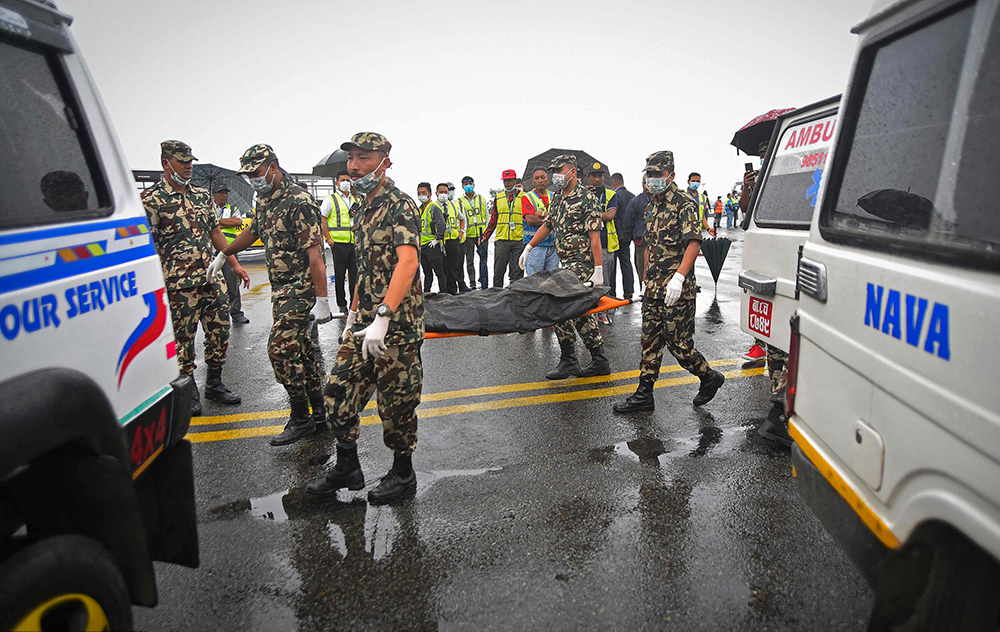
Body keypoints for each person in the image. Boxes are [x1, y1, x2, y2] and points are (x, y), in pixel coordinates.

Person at [306, 132, 424, 505]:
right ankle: (348, 468)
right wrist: (354, 315)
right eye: (351, 159)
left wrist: (384, 316)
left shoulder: (400, 204)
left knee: (396, 407)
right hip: (364, 325)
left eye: (364, 159)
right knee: (336, 394)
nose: (354, 167)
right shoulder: (360, 208)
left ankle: (403, 475)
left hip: (398, 325)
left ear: (385, 161)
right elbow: (363, 269)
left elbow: (408, 262)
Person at [215, 144, 332, 445]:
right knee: (305, 352)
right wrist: (224, 254)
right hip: (281, 290)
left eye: (256, 173)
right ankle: (320, 416)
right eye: (249, 175)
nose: (253, 179)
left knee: (279, 349)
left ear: (273, 167)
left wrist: (322, 299)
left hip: (301, 289)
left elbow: (315, 255)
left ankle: (301, 417)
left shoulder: (299, 201)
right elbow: (253, 230)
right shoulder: (266, 199)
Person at [613, 151, 725, 414]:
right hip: (653, 287)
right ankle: (644, 394)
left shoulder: (684, 204)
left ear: (671, 176)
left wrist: (678, 277)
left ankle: (710, 377)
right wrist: (645, 278)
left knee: (680, 348)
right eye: (649, 174)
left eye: (658, 174)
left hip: (677, 290)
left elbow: (694, 242)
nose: (652, 179)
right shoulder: (651, 206)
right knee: (649, 340)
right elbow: (650, 246)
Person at [142, 140, 245, 416]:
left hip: (211, 278)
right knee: (182, 339)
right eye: (182, 161)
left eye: (190, 161)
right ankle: (188, 389)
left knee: (220, 330)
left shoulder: (201, 196)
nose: (189, 166)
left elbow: (215, 233)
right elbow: (147, 246)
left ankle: (214, 383)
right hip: (178, 284)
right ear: (166, 163)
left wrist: (233, 264)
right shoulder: (151, 201)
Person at [519, 154, 609, 378]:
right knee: (578, 312)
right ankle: (597, 360)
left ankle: (571, 359)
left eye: (560, 170)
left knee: (554, 297)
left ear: (573, 172)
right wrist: (529, 247)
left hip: (583, 263)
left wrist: (598, 270)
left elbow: (595, 238)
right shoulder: (558, 197)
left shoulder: (587, 198)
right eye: (554, 171)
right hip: (566, 262)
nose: (555, 175)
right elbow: (547, 225)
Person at [320, 170, 359, 314]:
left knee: (354, 276)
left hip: (354, 244)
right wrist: (328, 239)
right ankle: (342, 305)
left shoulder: (357, 200)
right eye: (343, 180)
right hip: (338, 244)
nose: (346, 183)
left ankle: (353, 306)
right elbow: (322, 219)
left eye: (348, 180)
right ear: (337, 184)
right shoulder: (331, 199)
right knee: (340, 276)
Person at [480, 169, 525, 288]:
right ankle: (496, 296)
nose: (507, 183)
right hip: (502, 240)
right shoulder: (498, 197)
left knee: (517, 272)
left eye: (510, 180)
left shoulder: (524, 197)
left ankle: (515, 295)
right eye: (505, 181)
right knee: (498, 271)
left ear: (515, 181)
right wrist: (486, 236)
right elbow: (493, 219)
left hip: (518, 240)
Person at [586, 163, 619, 324]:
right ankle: (590, 313)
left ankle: (604, 313)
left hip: (605, 244)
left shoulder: (611, 194)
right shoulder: (583, 193)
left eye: (600, 176)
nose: (597, 179)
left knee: (604, 281)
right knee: (588, 283)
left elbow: (610, 215)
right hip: (586, 246)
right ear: (589, 178)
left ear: (604, 177)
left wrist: (591, 214)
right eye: (594, 176)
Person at [213, 182, 250, 325]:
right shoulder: (208, 208)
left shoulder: (232, 208)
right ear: (214, 194)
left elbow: (236, 221)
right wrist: (222, 223)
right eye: (221, 193)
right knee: (213, 283)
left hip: (230, 250)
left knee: (232, 281)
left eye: (226, 192)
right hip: (212, 250)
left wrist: (218, 222)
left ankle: (236, 312)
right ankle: (218, 315)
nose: (224, 195)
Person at [521, 167, 558, 275]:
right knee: (534, 282)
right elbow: (530, 219)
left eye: (543, 177)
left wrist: (542, 214)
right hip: (535, 246)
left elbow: (560, 216)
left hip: (553, 247)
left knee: (552, 282)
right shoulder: (527, 197)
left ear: (548, 179)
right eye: (537, 178)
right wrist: (552, 218)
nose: (540, 180)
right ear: (533, 181)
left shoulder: (555, 196)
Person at [458, 176, 489, 290]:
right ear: (462, 186)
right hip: (469, 235)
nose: (468, 185)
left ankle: (483, 279)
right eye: (465, 184)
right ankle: (472, 282)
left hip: (482, 234)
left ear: (474, 184)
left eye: (470, 183)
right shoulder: (459, 201)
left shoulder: (481, 198)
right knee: (469, 260)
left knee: (484, 258)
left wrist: (486, 233)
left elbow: (486, 216)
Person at [438, 182, 469, 294]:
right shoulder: (434, 206)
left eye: (446, 192)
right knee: (444, 266)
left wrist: (461, 232)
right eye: (441, 192)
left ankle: (454, 290)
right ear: (436, 194)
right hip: (442, 241)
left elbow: (462, 218)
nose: (444, 194)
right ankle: (445, 290)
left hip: (454, 240)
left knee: (455, 266)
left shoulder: (453, 205)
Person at [416, 182, 446, 293]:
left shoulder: (433, 208)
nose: (421, 195)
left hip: (432, 245)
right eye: (419, 193)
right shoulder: (419, 209)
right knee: (427, 273)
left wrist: (437, 239)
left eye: (424, 193)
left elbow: (441, 224)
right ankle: (426, 293)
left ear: (430, 194)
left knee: (439, 271)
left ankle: (443, 293)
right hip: (422, 246)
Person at [611, 172, 636, 299]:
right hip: (628, 235)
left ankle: (612, 292)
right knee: (626, 262)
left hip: (616, 235)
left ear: (614, 182)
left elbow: (613, 216)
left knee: (613, 265)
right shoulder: (632, 196)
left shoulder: (615, 196)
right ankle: (629, 291)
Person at [626, 176, 650, 286]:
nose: (647, 185)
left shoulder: (663, 201)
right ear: (642, 184)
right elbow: (628, 223)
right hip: (641, 245)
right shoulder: (635, 202)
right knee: (643, 275)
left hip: (660, 246)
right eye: (645, 183)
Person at [686, 173, 715, 237]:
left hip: (697, 231)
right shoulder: (681, 194)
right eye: (693, 181)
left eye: (697, 181)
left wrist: (708, 228)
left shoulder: (703, 197)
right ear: (688, 182)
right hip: (684, 231)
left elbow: (702, 216)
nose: (695, 183)